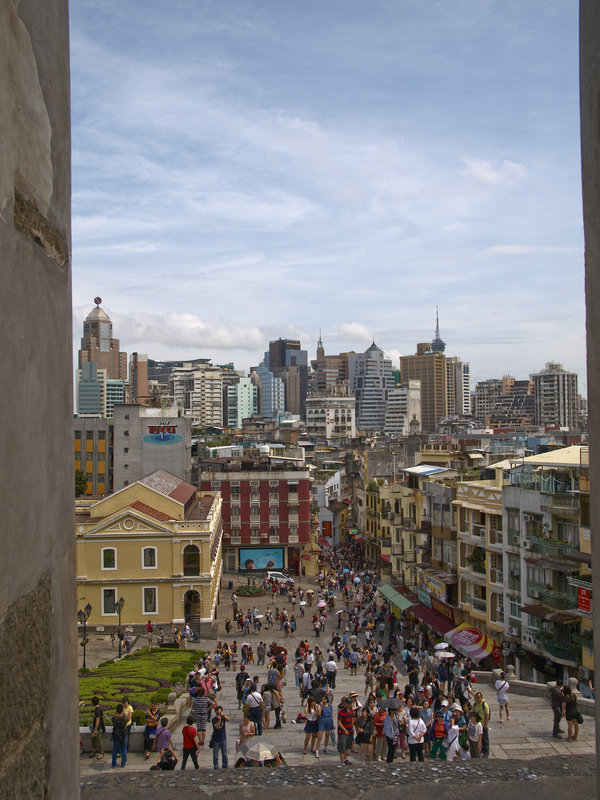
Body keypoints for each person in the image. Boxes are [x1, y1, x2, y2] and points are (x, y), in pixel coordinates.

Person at [471, 690, 490, 757]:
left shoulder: (484, 705)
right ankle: (481, 750)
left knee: (485, 739)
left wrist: (486, 724)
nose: (478, 699)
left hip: (483, 725)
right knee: (479, 739)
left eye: (479, 697)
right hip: (477, 725)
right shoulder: (475, 705)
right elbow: (473, 712)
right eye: (477, 697)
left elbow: (487, 715)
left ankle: (486, 752)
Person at [337, 696, 355, 765]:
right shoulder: (341, 711)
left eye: (350, 704)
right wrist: (344, 730)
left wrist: (351, 728)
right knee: (342, 746)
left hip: (349, 730)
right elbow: (339, 722)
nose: (349, 705)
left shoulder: (351, 711)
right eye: (348, 704)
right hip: (342, 732)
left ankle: (345, 759)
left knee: (347, 746)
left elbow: (352, 719)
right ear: (345, 704)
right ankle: (342, 761)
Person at [111, 704, 127, 768]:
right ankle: (123, 763)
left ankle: (114, 764)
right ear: (122, 710)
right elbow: (126, 721)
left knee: (115, 750)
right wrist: (124, 713)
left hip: (116, 735)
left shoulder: (114, 718)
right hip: (123, 735)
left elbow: (113, 720)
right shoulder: (124, 718)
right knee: (124, 749)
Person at [90, 696, 105, 760]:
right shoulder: (97, 709)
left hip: (98, 728)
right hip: (95, 727)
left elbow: (97, 720)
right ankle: (94, 750)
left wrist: (95, 729)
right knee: (93, 739)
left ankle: (101, 752)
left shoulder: (98, 710)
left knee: (99, 740)